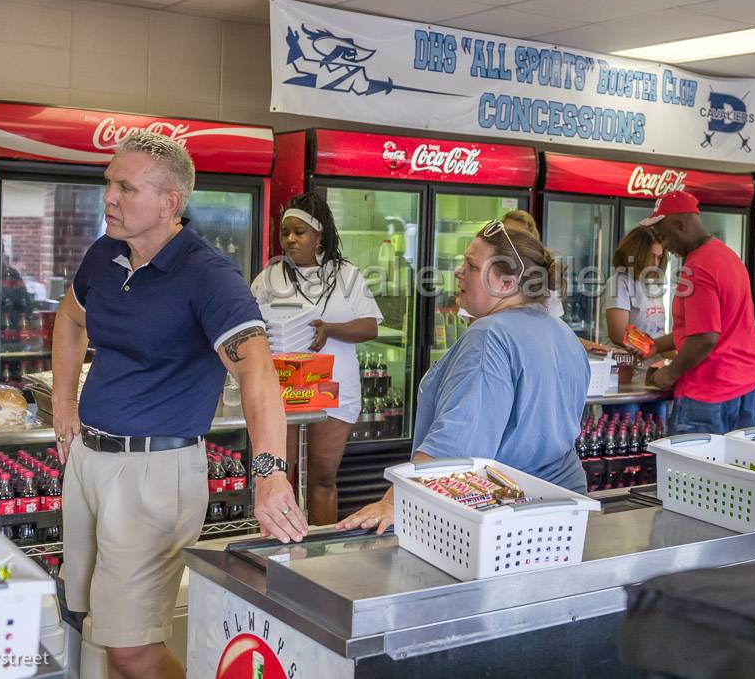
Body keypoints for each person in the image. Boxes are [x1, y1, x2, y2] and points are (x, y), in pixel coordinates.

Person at [51, 131, 307, 679]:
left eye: (125, 187)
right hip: (89, 461)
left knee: (131, 647)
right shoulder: (104, 255)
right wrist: (62, 404)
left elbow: (258, 374)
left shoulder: (208, 276)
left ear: (170, 203)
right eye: (108, 184)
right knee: (90, 622)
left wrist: (269, 473)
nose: (109, 198)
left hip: (154, 475)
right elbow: (70, 319)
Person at [337, 219, 590, 533]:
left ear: (506, 284)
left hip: (502, 519)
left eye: (470, 265)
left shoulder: (490, 336)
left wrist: (394, 501)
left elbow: (457, 440)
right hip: (563, 512)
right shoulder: (562, 333)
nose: (458, 271)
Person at [251, 192, 382, 525]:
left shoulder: (346, 275)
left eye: (300, 232)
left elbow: (370, 327)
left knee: (323, 477)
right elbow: (248, 324)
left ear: (319, 235)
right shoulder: (270, 277)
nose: (291, 239)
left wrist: (331, 329)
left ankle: (321, 555)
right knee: (282, 477)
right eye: (285, 232)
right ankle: (281, 550)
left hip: (333, 392)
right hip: (282, 393)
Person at [640, 190, 755, 435]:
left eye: (664, 237)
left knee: (695, 473)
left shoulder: (697, 267)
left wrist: (669, 373)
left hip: (709, 392)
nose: (666, 247)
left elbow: (705, 338)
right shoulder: (727, 256)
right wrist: (657, 345)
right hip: (746, 386)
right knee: (740, 469)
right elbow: (711, 327)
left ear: (680, 225)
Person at [501, 209, 610, 355]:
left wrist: (586, 345)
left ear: (532, 241)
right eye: (507, 234)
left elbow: (554, 329)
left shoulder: (545, 274)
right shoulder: (488, 271)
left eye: (520, 236)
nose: (512, 240)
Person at [604, 226, 673, 421]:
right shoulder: (619, 282)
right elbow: (618, 334)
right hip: (626, 375)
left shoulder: (655, 285)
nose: (655, 263)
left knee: (655, 432)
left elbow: (658, 332)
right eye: (650, 256)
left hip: (653, 374)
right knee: (625, 429)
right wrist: (662, 348)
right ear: (634, 253)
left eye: (659, 257)